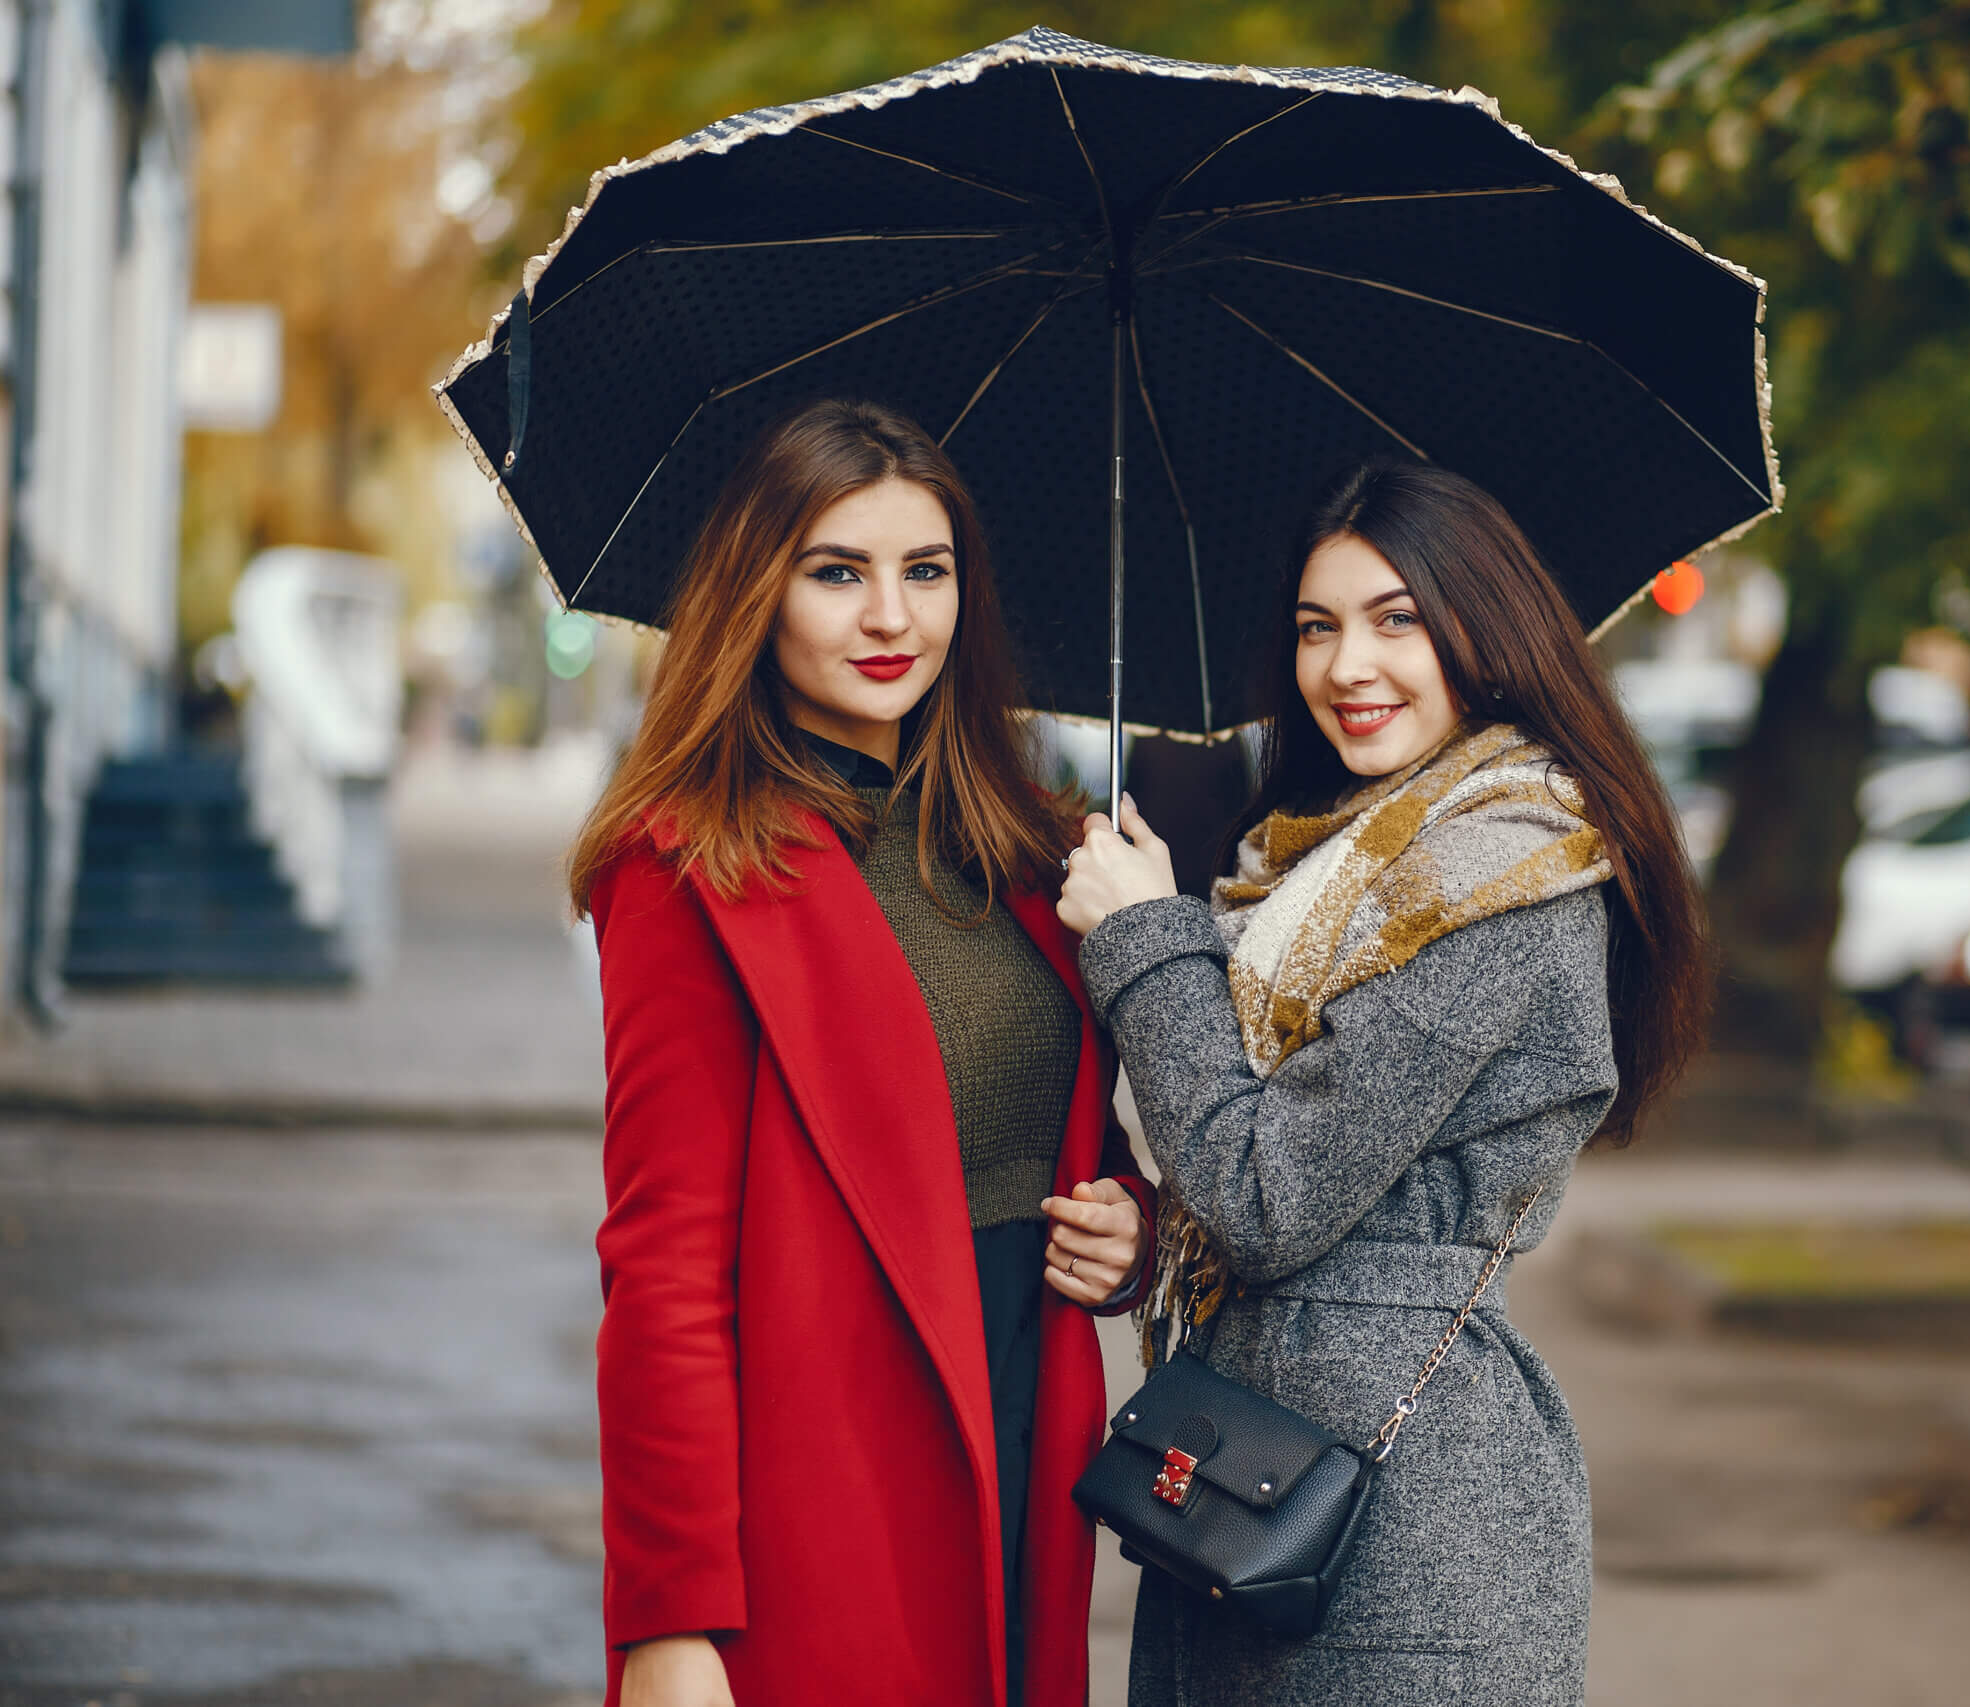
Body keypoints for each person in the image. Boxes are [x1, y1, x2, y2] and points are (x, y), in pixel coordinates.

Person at [1058, 459, 1707, 1704]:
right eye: (1317, 627)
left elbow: (1270, 1194)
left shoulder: (1507, 874)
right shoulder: (1324, 866)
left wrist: (1145, 940)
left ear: (1489, 627)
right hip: (1242, 1467)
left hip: (1407, 1522)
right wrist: (1149, 1242)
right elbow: (1261, 1160)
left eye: (1394, 618)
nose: (1347, 665)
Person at [568, 398, 1155, 1707]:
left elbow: (1052, 1133)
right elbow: (660, 1267)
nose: (892, 616)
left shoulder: (1035, 852)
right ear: (758, 593)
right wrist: (669, 1620)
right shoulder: (685, 864)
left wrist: (1132, 1223)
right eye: (839, 571)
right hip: (826, 1465)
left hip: (1021, 1424)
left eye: (926, 570)